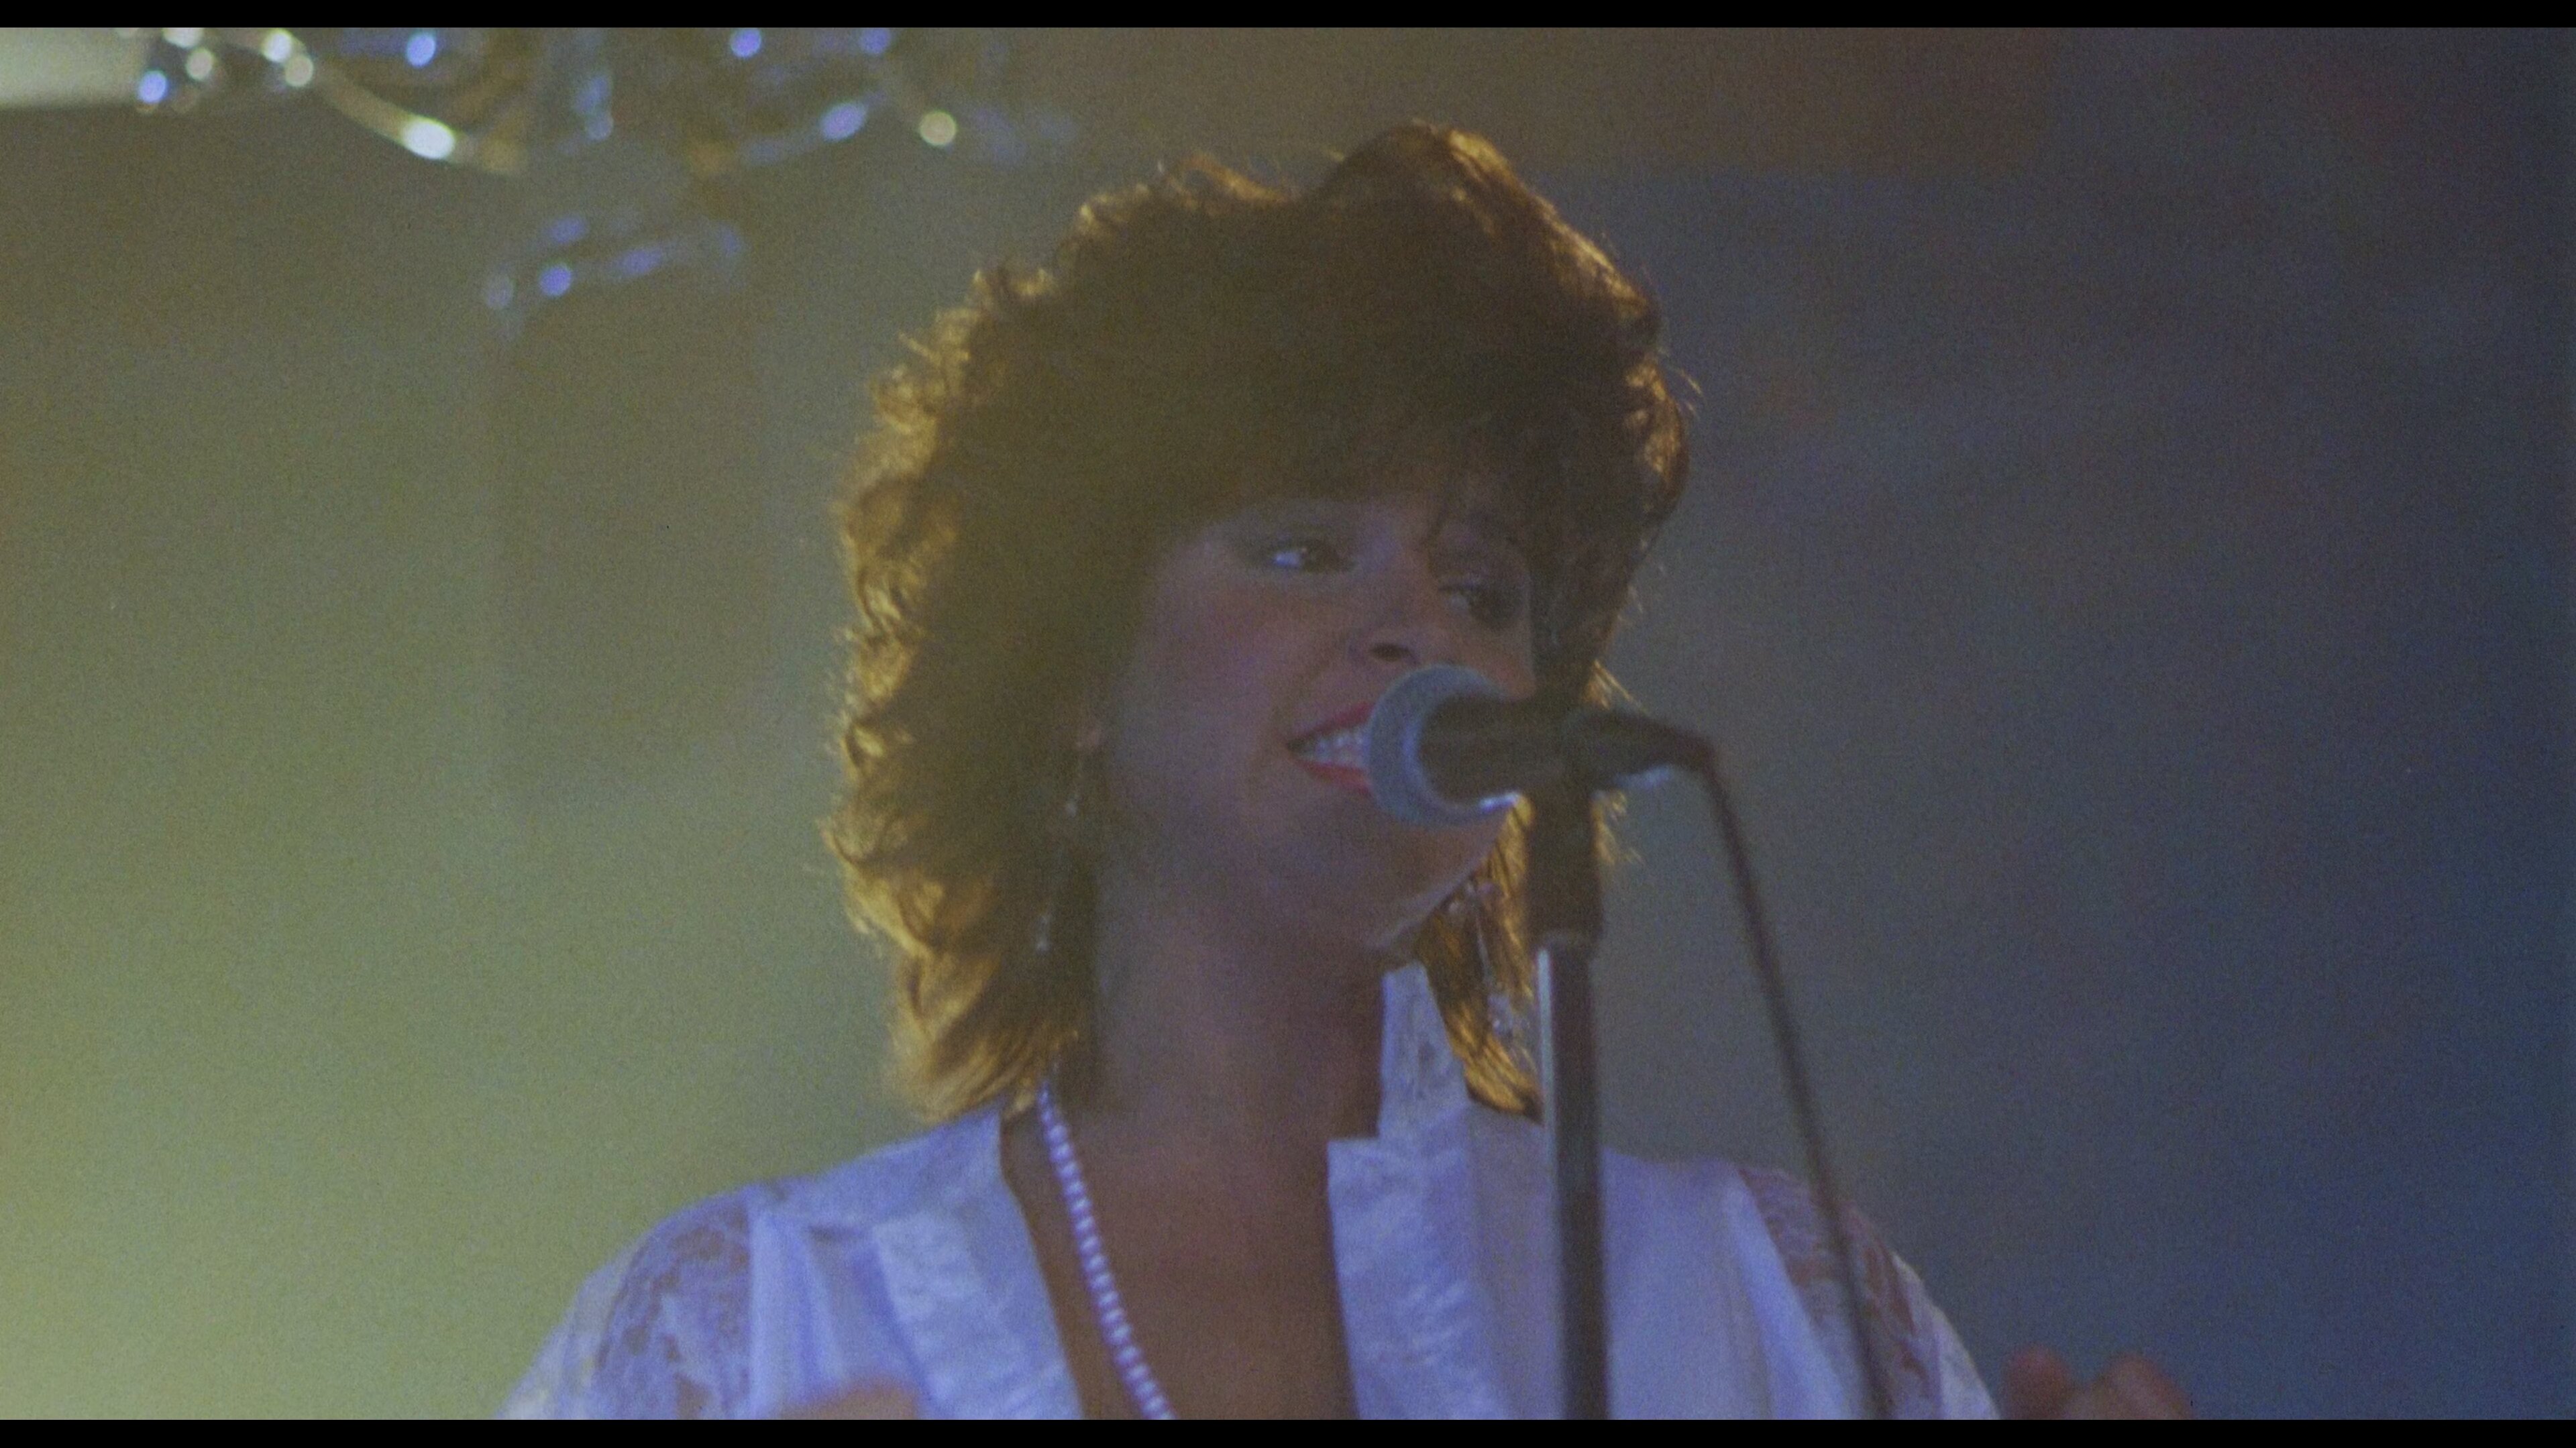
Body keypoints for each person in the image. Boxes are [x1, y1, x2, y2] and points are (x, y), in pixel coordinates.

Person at [502, 124, 2186, 1419]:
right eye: (1304, 550)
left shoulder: (1761, 1302)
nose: (1414, 625)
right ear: (1073, 673)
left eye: (1484, 587)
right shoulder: (760, 1323)